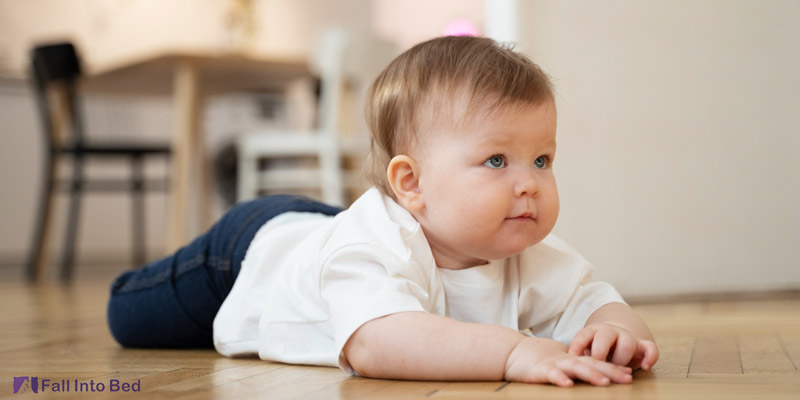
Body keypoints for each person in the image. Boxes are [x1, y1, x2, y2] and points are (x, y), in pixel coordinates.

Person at [107, 35, 659, 387]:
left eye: (542, 159)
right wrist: (515, 353)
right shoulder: (371, 249)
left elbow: (598, 301)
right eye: (497, 160)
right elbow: (376, 342)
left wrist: (616, 333)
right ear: (411, 183)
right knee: (129, 319)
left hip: (322, 232)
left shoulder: (527, 251)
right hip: (247, 256)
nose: (530, 184)